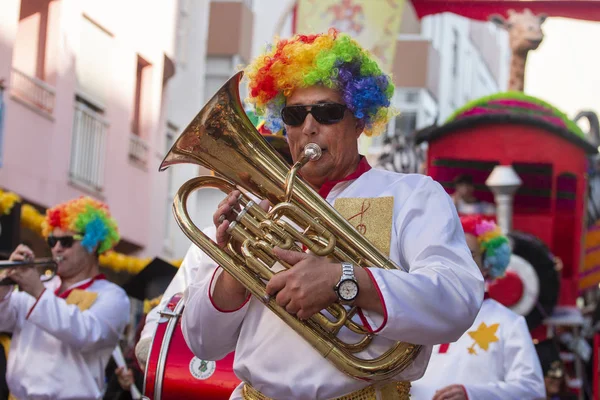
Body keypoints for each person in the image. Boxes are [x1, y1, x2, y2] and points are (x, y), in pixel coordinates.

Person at [180, 29, 484, 400]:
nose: (309, 126)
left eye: (327, 112)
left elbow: (457, 299)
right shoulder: (261, 207)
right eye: (294, 114)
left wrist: (343, 280)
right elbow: (202, 343)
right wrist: (234, 268)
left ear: (359, 119)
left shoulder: (413, 194)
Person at [0, 196, 130, 399]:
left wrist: (36, 291)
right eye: (52, 241)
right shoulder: (41, 283)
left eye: (66, 241)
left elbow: (87, 334)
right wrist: (2, 291)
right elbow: (3, 320)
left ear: (93, 244)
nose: (56, 248)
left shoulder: (113, 296)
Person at [411, 215, 546, 399]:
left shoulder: (509, 323)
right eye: (452, 254)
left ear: (487, 265)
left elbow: (532, 390)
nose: (459, 262)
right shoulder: (420, 316)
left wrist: (472, 395)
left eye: (469, 254)